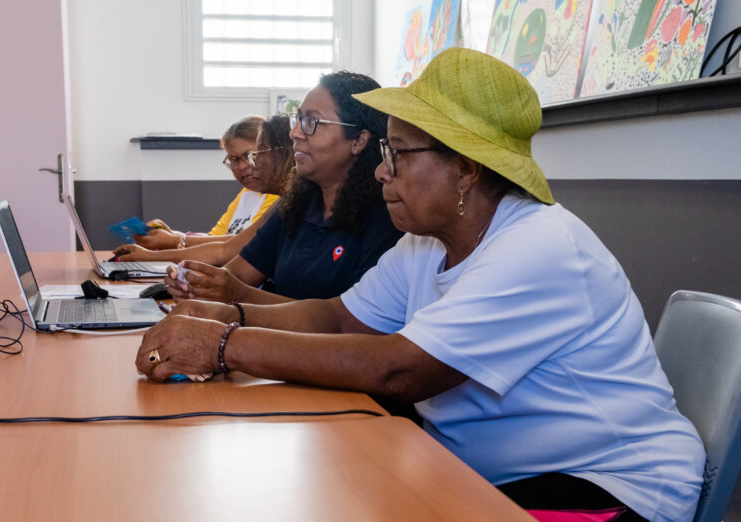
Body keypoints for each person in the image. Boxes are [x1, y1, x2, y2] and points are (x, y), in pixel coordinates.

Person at [135, 49, 705, 521]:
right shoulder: (428, 240)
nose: (383, 171)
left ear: (466, 168)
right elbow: (338, 318)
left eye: (399, 154)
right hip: (489, 472)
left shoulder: (538, 245)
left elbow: (399, 369)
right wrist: (221, 319)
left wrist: (224, 345)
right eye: (386, 152)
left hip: (607, 487)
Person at [162, 71, 402, 305]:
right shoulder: (296, 205)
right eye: (297, 120)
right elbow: (237, 274)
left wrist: (238, 295)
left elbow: (346, 322)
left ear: (359, 140)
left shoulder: (387, 217)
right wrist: (196, 283)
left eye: (311, 122)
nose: (294, 132)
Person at [112, 116, 290, 265]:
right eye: (234, 159)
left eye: (253, 156)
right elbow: (220, 242)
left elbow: (229, 250)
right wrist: (174, 238)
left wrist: (169, 245)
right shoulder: (250, 196)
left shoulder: (278, 200)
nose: (246, 166)